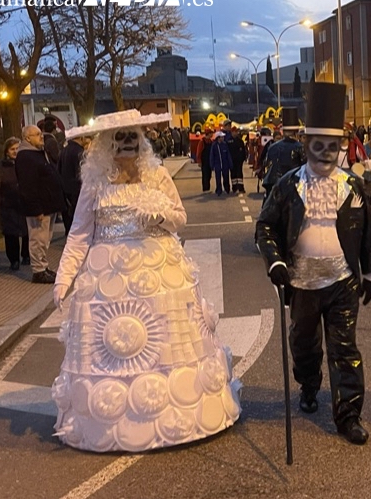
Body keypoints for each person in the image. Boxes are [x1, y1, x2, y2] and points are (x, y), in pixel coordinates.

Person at [50, 110, 240, 452]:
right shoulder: (95, 184)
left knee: (165, 342)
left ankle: (170, 416)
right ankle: (114, 425)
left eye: (132, 137)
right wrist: (63, 278)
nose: (127, 144)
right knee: (116, 347)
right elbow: (79, 234)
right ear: (106, 146)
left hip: (158, 271)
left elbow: (179, 218)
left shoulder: (158, 176)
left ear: (141, 141)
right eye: (119, 139)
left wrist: (161, 216)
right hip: (107, 278)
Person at [255, 82, 371, 445]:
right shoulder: (288, 186)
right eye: (318, 146)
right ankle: (308, 385)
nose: (325, 153)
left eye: (332, 146)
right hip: (303, 283)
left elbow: (367, 231)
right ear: (307, 146)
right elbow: (265, 226)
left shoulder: (353, 187)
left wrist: (369, 272)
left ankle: (348, 415)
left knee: (345, 351)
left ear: (340, 147)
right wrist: (275, 262)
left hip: (342, 282)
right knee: (304, 344)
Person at [15, 124, 66, 283]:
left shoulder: (38, 153)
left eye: (40, 134)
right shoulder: (26, 157)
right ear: (27, 138)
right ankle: (38, 270)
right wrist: (35, 208)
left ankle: (43, 266)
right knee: (38, 239)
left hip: (47, 205)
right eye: (37, 135)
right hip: (39, 208)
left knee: (45, 239)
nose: (41, 137)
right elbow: (28, 185)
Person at [0, 138, 29, 271]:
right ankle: (14, 259)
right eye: (12, 149)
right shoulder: (1, 166)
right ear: (6, 151)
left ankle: (26, 255)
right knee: (11, 234)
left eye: (18, 148)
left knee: (27, 231)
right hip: (8, 203)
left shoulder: (26, 164)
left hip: (24, 202)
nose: (15, 151)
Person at [261, 108, 306, 200]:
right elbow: (305, 168)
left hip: (272, 184)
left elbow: (266, 164)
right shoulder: (299, 147)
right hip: (292, 186)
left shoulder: (272, 147)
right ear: (296, 132)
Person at [58, 133, 91, 235]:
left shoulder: (64, 150)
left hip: (66, 189)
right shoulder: (79, 152)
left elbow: (58, 169)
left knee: (70, 218)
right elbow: (84, 173)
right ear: (81, 138)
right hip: (77, 189)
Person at [211, 124, 233, 196]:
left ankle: (227, 189)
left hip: (225, 165)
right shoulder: (214, 146)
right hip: (217, 165)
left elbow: (228, 155)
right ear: (218, 138)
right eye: (222, 137)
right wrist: (212, 165)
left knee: (226, 177)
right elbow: (212, 156)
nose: (223, 138)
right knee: (218, 178)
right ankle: (219, 190)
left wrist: (230, 164)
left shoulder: (225, 145)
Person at [227, 126, 248, 194]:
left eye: (237, 131)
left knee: (239, 173)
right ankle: (234, 187)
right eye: (235, 131)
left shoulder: (240, 140)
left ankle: (241, 187)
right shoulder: (229, 141)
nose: (236, 133)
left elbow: (243, 150)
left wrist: (244, 157)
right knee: (233, 174)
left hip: (239, 160)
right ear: (232, 132)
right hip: (232, 160)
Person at [196, 128, 213, 192]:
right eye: (211, 133)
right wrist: (199, 161)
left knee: (209, 174)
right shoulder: (202, 142)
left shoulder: (211, 141)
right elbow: (199, 152)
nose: (212, 135)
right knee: (205, 174)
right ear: (208, 134)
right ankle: (205, 188)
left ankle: (207, 187)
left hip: (209, 161)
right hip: (204, 161)